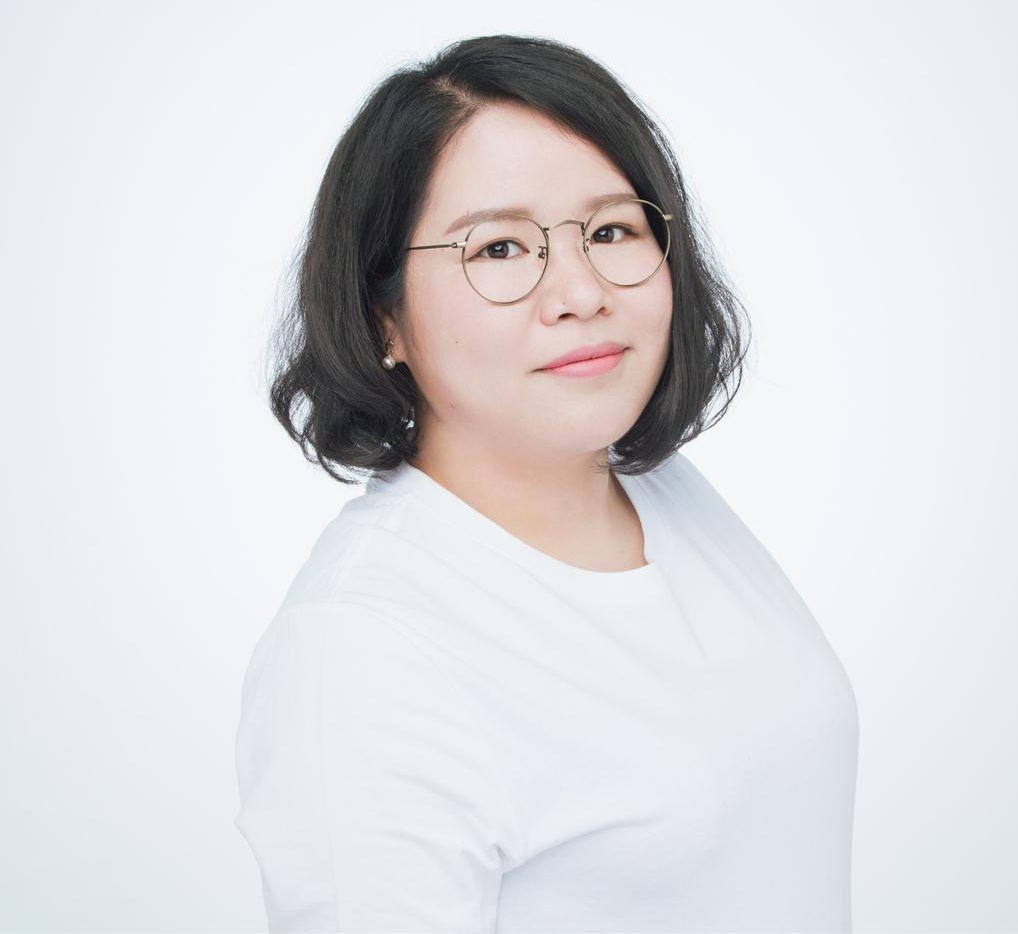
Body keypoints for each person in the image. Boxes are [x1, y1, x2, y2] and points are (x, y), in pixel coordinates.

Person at [233, 33, 859, 933]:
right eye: (498, 248)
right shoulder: (361, 650)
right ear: (383, 319)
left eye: (610, 231)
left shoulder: (668, 494)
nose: (580, 291)